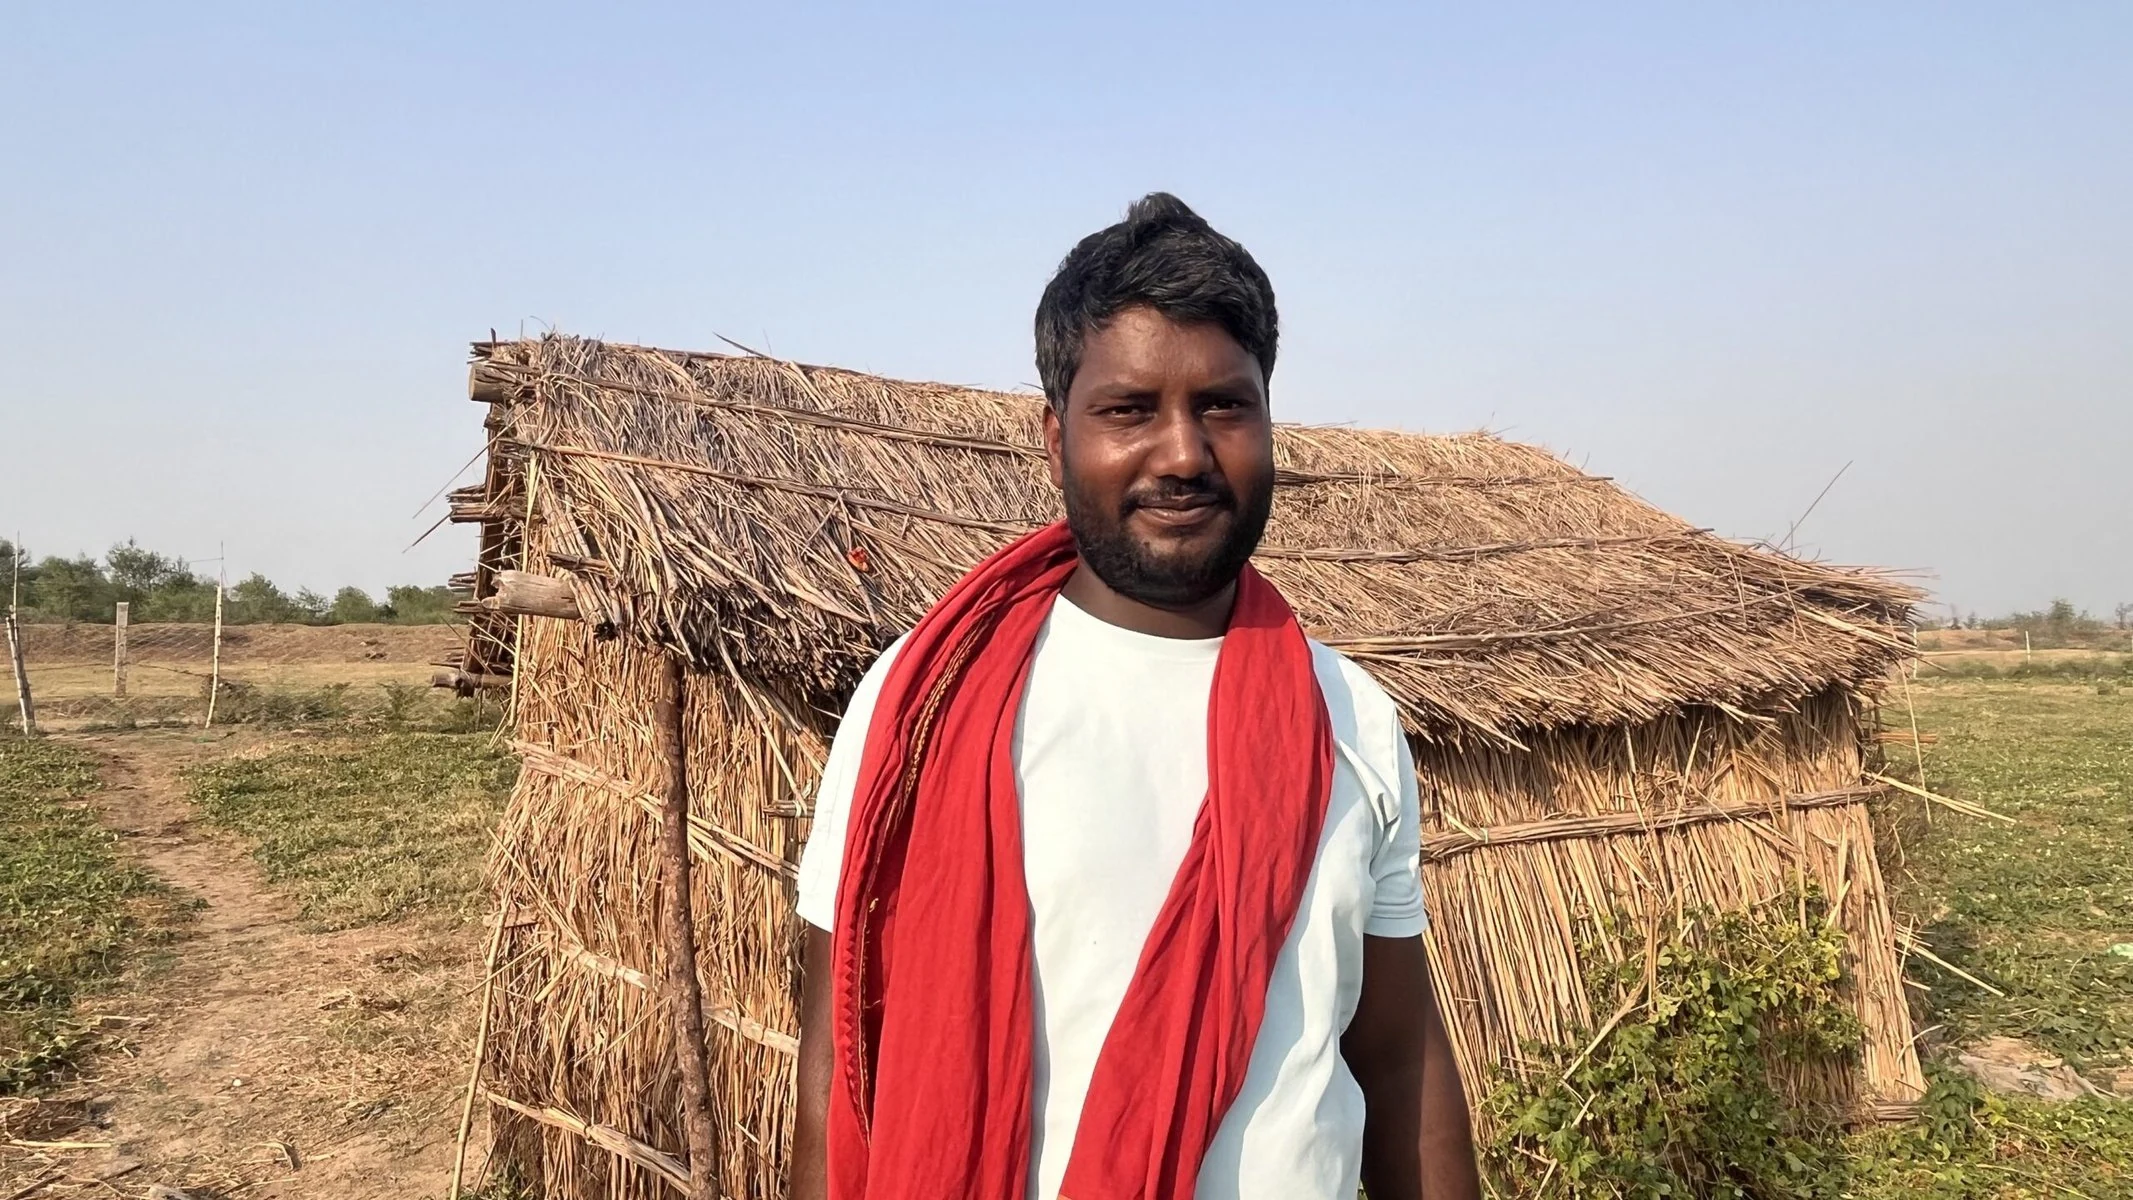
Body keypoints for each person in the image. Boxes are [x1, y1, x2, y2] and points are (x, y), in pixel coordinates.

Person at [789, 193, 1480, 1200]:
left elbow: (1401, 1062)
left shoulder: (1352, 719)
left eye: (1223, 407)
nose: (1185, 456)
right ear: (1053, 432)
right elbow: (833, 1069)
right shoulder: (921, 704)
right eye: (1128, 411)